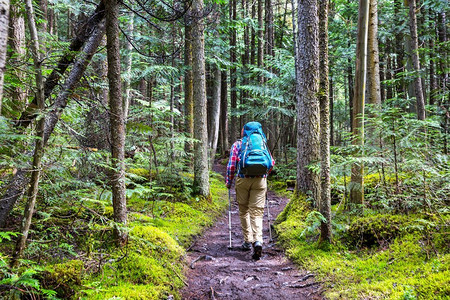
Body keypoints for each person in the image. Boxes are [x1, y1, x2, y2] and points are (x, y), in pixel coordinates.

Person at [226, 122, 275, 260]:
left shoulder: (238, 145)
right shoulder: (262, 144)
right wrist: (265, 175)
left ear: (245, 131)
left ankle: (248, 240)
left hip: (243, 180)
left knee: (244, 210)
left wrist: (229, 182)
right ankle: (258, 240)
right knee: (257, 212)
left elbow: (231, 165)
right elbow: (271, 163)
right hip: (260, 181)